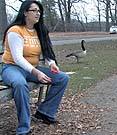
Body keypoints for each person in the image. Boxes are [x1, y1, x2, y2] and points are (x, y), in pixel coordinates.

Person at [1, 1, 69, 135]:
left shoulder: (40, 30)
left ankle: (45, 113)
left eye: (39, 11)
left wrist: (51, 63)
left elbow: (47, 51)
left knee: (62, 78)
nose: (38, 14)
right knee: (20, 84)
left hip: (32, 68)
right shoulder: (15, 31)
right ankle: (23, 129)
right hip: (12, 68)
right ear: (25, 12)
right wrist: (37, 72)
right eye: (34, 11)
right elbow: (17, 58)